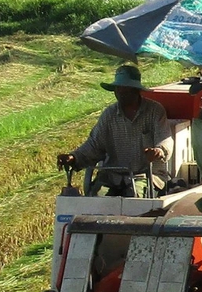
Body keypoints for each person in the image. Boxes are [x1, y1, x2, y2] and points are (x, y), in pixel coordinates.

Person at [57, 62, 172, 194]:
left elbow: (165, 139)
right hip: (112, 177)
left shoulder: (154, 111)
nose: (121, 92)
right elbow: (94, 145)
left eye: (125, 89)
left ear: (136, 90)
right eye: (118, 88)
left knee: (134, 198)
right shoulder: (109, 115)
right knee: (96, 199)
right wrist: (74, 157)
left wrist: (158, 151)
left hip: (146, 176)